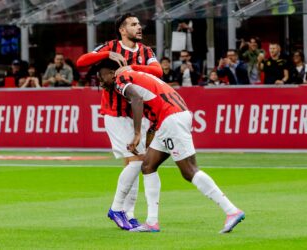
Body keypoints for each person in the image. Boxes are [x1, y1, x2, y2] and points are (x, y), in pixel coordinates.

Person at [96, 59, 245, 233]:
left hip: (171, 119)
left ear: (112, 73)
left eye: (101, 77)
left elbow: (136, 99)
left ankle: (231, 211)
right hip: (172, 117)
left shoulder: (120, 79)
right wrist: (146, 140)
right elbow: (153, 108)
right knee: (148, 165)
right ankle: (152, 222)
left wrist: (137, 134)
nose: (100, 82)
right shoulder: (139, 76)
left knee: (189, 171)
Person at [76, 13, 162, 230]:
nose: (139, 27)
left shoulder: (146, 51)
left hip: (138, 113)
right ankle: (117, 209)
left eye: (139, 24)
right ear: (122, 30)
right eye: (133, 24)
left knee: (135, 163)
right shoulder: (111, 46)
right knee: (137, 161)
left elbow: (158, 71)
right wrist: (108, 54)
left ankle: (129, 213)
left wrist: (131, 68)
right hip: (116, 114)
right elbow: (81, 61)